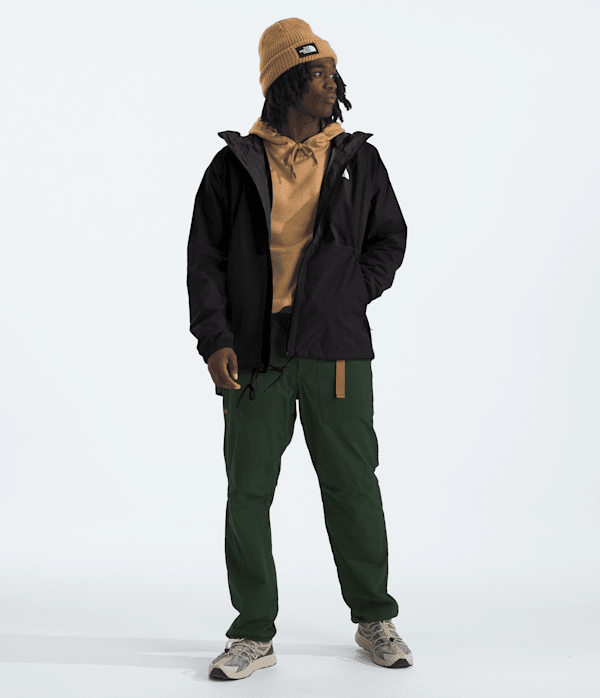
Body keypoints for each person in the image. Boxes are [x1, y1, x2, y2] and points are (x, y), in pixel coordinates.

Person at [186, 17, 413, 681]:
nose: (330, 83)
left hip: (336, 350)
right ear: (284, 83)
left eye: (332, 72)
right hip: (255, 353)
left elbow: (390, 238)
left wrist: (349, 292)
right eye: (316, 73)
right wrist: (215, 339)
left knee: (353, 487)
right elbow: (204, 261)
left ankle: (374, 617)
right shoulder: (234, 166)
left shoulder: (357, 161)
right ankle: (252, 633)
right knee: (248, 493)